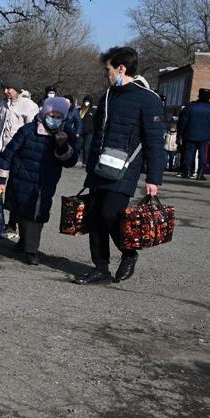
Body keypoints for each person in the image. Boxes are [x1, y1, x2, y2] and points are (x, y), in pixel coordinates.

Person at [74, 47, 165, 286]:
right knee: (94, 217)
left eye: (108, 69)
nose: (106, 74)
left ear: (121, 69)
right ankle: (100, 268)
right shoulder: (108, 96)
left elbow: (155, 142)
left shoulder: (148, 99)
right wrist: (90, 167)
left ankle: (129, 252)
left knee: (110, 214)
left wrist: (153, 179)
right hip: (100, 168)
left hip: (125, 169)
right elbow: (98, 134)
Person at [0, 97, 79, 265]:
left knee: (37, 214)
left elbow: (71, 161)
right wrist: (0, 179)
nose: (54, 119)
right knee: (22, 211)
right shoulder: (28, 130)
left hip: (45, 183)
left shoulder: (66, 133)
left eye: (59, 116)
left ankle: (31, 251)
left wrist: (62, 146)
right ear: (45, 113)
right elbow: (8, 154)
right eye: (52, 115)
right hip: (21, 178)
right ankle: (24, 241)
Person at [0, 74, 39, 239]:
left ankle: (12, 224)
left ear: (17, 89)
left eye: (9, 88)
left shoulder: (29, 106)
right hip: (1, 153)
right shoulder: (2, 104)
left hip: (18, 155)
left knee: (14, 191)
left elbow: (32, 132)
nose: (5, 91)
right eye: (4, 88)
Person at [177, 88, 210, 181]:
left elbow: (183, 122)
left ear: (199, 95)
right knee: (203, 154)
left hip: (190, 134)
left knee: (189, 153)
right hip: (205, 136)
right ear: (209, 97)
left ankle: (187, 171)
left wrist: (180, 134)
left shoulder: (190, 107)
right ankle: (200, 173)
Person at [78, 95, 96, 166]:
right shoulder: (79, 110)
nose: (86, 103)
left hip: (89, 132)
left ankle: (85, 163)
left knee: (86, 148)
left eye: (88, 101)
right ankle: (74, 160)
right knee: (77, 146)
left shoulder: (93, 111)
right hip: (80, 131)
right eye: (85, 101)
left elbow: (96, 121)